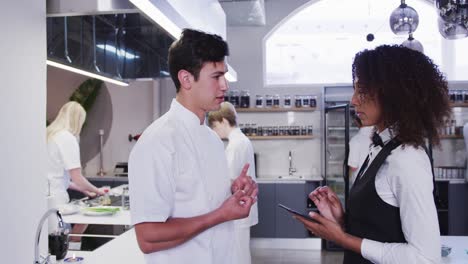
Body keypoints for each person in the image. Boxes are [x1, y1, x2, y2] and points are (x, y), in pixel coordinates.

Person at [294, 45, 451, 264]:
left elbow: (425, 257)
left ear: (394, 93)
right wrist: (343, 221)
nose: (353, 100)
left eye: (363, 91)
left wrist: (342, 238)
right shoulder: (379, 147)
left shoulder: (407, 159)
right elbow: (381, 227)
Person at [128, 28, 258, 264]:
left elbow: (196, 194)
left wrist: (230, 188)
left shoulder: (211, 139)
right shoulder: (157, 141)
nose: (224, 86)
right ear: (186, 79)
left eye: (225, 76)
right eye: (216, 76)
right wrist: (220, 215)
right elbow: (147, 237)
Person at [46, 101, 105, 244]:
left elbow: (58, 177)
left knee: (51, 248)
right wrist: (98, 191)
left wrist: (86, 190)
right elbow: (77, 177)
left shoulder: (49, 135)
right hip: (57, 202)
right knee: (62, 246)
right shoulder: (67, 138)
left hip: (45, 200)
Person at [207, 101, 259, 264]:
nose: (214, 131)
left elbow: (227, 180)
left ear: (223, 121)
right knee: (241, 252)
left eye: (214, 126)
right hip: (243, 206)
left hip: (239, 207)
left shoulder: (235, 146)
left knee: (238, 255)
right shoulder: (242, 140)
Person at [348, 114, 373, 184]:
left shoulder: (356, 140)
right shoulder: (378, 135)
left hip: (361, 182)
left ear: (356, 122)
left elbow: (353, 167)